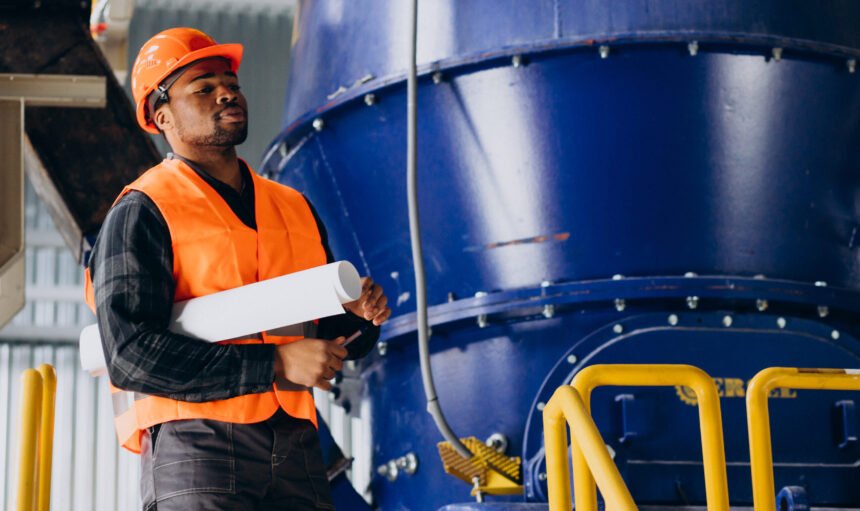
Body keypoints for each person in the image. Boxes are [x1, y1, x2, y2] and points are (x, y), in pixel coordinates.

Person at [84, 27, 390, 510]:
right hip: (197, 444)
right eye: (203, 87)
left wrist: (359, 318)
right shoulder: (144, 209)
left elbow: (326, 336)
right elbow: (130, 354)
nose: (227, 92)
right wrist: (277, 364)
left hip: (296, 449)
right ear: (161, 115)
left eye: (230, 83)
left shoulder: (294, 207)